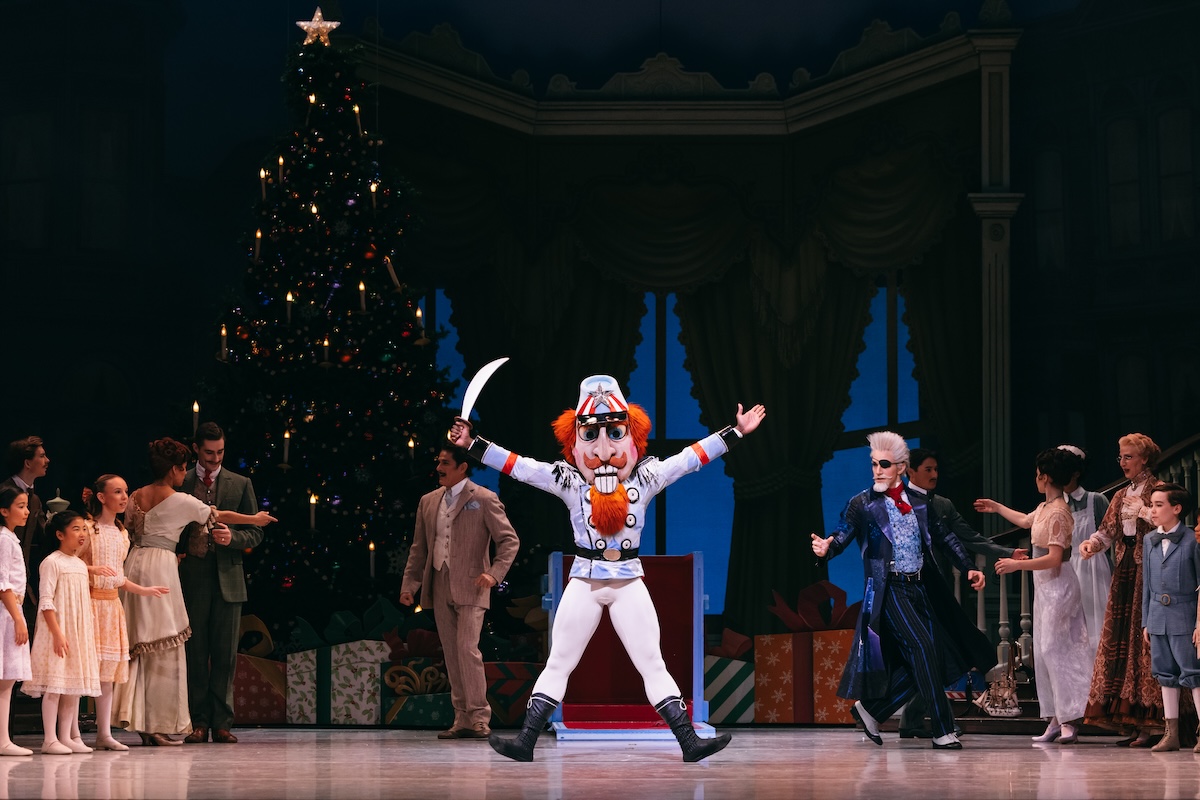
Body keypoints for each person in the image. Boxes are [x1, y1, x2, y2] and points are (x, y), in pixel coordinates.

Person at [451, 374, 765, 762]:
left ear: (632, 438)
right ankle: (525, 741)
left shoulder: (646, 478)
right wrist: (473, 445)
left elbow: (690, 458)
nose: (603, 450)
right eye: (591, 437)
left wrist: (736, 432)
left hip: (629, 581)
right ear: (575, 442)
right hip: (585, 579)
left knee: (651, 661)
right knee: (560, 660)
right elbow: (520, 467)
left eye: (615, 434)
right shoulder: (567, 481)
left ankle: (689, 742)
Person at [810, 431, 992, 750]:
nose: (877, 470)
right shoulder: (862, 503)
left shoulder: (921, 503)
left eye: (884, 464)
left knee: (932, 656)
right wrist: (828, 548)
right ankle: (942, 729)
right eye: (873, 464)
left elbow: (945, 537)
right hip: (887, 590)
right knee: (923, 649)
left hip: (919, 588)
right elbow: (842, 533)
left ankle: (871, 710)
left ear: (901, 467)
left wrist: (969, 567)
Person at [112, 438, 276, 747]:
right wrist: (254, 519)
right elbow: (218, 514)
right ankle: (157, 721)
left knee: (139, 643)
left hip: (135, 565)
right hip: (161, 568)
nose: (183, 473)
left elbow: (131, 531)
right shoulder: (180, 498)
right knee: (163, 644)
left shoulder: (135, 495)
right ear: (174, 469)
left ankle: (139, 719)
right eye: (182, 468)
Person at [898, 447, 1026, 738]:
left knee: (945, 652)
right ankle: (911, 714)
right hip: (906, 589)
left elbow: (968, 538)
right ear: (911, 470)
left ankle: (912, 717)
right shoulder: (898, 501)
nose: (934, 475)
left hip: (934, 589)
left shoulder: (941, 504)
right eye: (927, 469)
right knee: (929, 652)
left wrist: (1005, 552)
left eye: (936, 469)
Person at [400, 445, 520, 740]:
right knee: (452, 654)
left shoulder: (484, 498)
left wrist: (493, 574)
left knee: (467, 649)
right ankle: (462, 718)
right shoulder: (428, 502)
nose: (439, 467)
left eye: (445, 463)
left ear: (462, 467)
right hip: (439, 583)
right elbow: (419, 548)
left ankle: (479, 717)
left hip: (473, 583)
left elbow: (509, 541)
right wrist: (410, 586)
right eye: (438, 461)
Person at [977, 447, 1093, 745]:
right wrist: (997, 507)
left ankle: (1070, 718)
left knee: (1057, 650)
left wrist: (1018, 565)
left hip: (1060, 585)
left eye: (1038, 475)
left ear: (1046, 477)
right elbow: (1027, 521)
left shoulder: (1059, 512)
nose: (1036, 479)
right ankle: (1055, 717)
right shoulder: (1045, 508)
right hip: (1044, 587)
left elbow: (1055, 558)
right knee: (1043, 652)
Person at [179, 422, 266, 745]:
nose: (215, 459)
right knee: (196, 652)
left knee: (226, 655)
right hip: (193, 578)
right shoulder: (182, 482)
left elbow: (256, 531)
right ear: (197, 449)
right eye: (209, 453)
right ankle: (198, 721)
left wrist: (233, 538)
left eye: (220, 452)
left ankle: (222, 722)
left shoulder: (240, 483)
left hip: (229, 579)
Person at [1079, 433, 1164, 746]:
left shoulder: (1158, 490)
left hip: (1150, 569)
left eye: (1129, 457)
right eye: (1121, 457)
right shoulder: (1118, 495)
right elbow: (1107, 531)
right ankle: (1130, 721)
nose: (1124, 462)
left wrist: (1143, 511)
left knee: (1144, 641)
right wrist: (1092, 544)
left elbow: (1167, 524)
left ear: (1143, 459)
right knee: (1120, 638)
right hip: (1126, 567)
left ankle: (1152, 723)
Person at [80, 474, 170, 751]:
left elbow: (118, 576)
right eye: (117, 492)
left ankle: (104, 733)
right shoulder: (87, 529)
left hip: (112, 607)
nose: (123, 497)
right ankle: (70, 733)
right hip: (90, 604)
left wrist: (145, 590)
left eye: (125, 492)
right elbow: (71, 565)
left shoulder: (121, 534)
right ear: (101, 497)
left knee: (107, 674)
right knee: (83, 672)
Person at [22, 510, 101, 755]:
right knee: (55, 687)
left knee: (72, 687)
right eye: (75, 529)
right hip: (58, 630)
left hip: (77, 631)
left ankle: (66, 736)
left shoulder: (79, 565)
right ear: (60, 534)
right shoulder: (52, 562)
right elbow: (46, 601)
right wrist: (57, 633)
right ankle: (49, 739)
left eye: (83, 529)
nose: (82, 534)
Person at [1140, 482, 1200, 753]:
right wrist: (1146, 621)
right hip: (1158, 616)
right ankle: (1171, 733)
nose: (1152, 511)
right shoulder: (1149, 540)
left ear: (1176, 508)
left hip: (1185, 616)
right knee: (1165, 674)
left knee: (1193, 673)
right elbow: (1147, 585)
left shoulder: (1192, 540)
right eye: (1151, 505)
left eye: (1158, 505)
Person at [1057, 444, 1111, 662]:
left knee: (1095, 626)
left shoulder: (1095, 500)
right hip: (1067, 569)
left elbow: (1109, 535)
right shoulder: (1056, 504)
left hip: (1093, 570)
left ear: (1076, 472)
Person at [0, 487, 32, 757]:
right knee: (4, 679)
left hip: (10, 610)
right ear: (3, 510)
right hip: (6, 612)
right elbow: (2, 585)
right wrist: (18, 619)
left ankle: (3, 740)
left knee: (7, 680)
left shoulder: (10, 538)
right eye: (20, 506)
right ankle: (2, 740)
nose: (26, 511)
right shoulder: (3, 539)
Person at [1, 436, 49, 607]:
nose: (47, 460)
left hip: (23, 581)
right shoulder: (3, 494)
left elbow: (46, 537)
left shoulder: (34, 499)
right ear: (27, 463)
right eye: (41, 456)